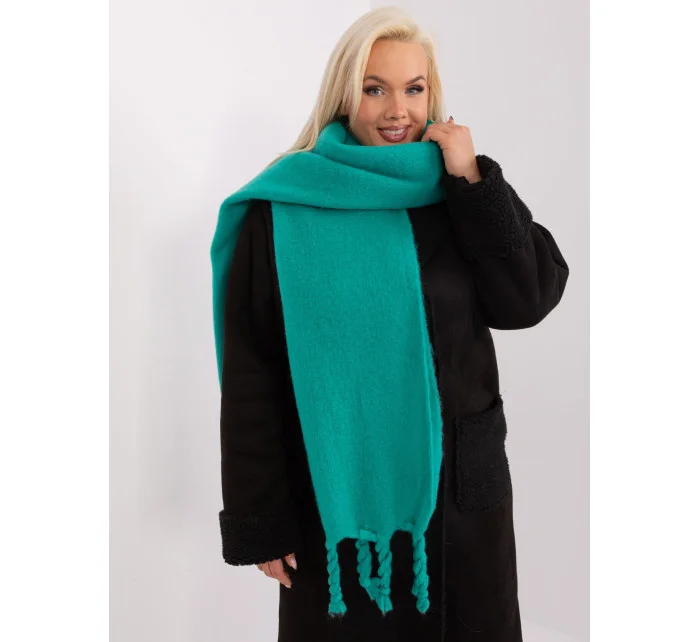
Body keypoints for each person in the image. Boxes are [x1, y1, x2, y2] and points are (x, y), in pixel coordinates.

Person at [212, 6, 569, 642]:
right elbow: (251, 370)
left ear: (434, 95)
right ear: (344, 94)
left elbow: (529, 300)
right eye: (375, 89)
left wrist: (473, 179)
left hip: (458, 500)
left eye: (414, 88)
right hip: (337, 511)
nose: (397, 110)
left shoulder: (460, 190)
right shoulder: (284, 208)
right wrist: (260, 517)